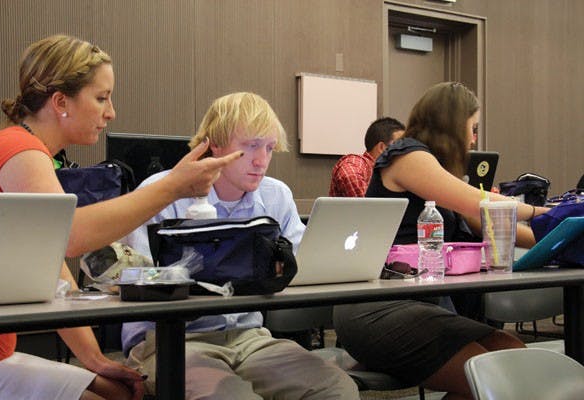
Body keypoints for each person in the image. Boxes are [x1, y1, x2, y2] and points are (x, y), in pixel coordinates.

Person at [0, 34, 240, 400]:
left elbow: (51, 268)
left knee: (120, 392)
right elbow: (69, 237)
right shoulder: (19, 149)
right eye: (101, 98)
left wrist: (94, 359)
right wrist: (172, 187)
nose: (111, 112)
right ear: (60, 102)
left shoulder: (23, 150)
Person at [122, 92, 360, 399]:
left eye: (270, 148)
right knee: (231, 396)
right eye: (251, 146)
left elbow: (305, 266)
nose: (262, 160)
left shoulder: (276, 196)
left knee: (336, 389)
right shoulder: (160, 193)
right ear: (214, 145)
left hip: (249, 337)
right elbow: (135, 281)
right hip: (169, 340)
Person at [333, 82, 550, 400]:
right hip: (377, 307)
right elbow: (479, 203)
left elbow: (493, 224)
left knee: (511, 353)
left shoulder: (436, 170)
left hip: (420, 305)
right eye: (472, 127)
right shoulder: (405, 156)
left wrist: (559, 235)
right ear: (452, 122)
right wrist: (547, 212)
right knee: (499, 374)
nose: (474, 138)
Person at [329, 117, 405, 197]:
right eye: (400, 145)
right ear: (382, 147)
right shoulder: (357, 162)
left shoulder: (386, 172)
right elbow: (349, 175)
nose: (404, 151)